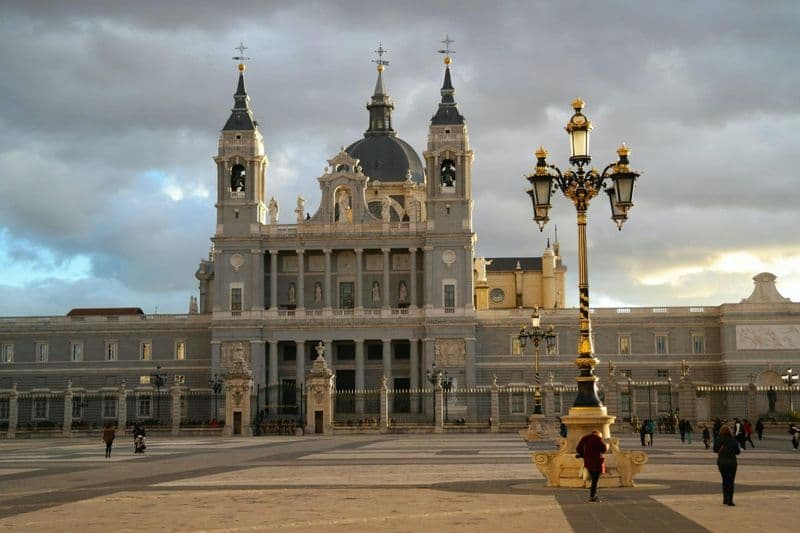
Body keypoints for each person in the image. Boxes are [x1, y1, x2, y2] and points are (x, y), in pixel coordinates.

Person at [576, 429, 608, 502]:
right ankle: (592, 496)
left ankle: (593, 495)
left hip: (588, 462)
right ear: (598, 434)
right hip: (597, 462)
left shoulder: (584, 438)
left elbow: (578, 449)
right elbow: (604, 449)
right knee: (595, 481)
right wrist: (605, 444)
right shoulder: (598, 439)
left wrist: (584, 454)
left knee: (593, 480)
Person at [714, 425, 741, 506]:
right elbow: (738, 451)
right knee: (731, 481)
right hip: (732, 463)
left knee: (725, 480)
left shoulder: (718, 439)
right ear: (730, 431)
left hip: (721, 463)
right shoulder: (733, 440)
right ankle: (730, 500)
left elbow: (715, 450)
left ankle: (725, 498)